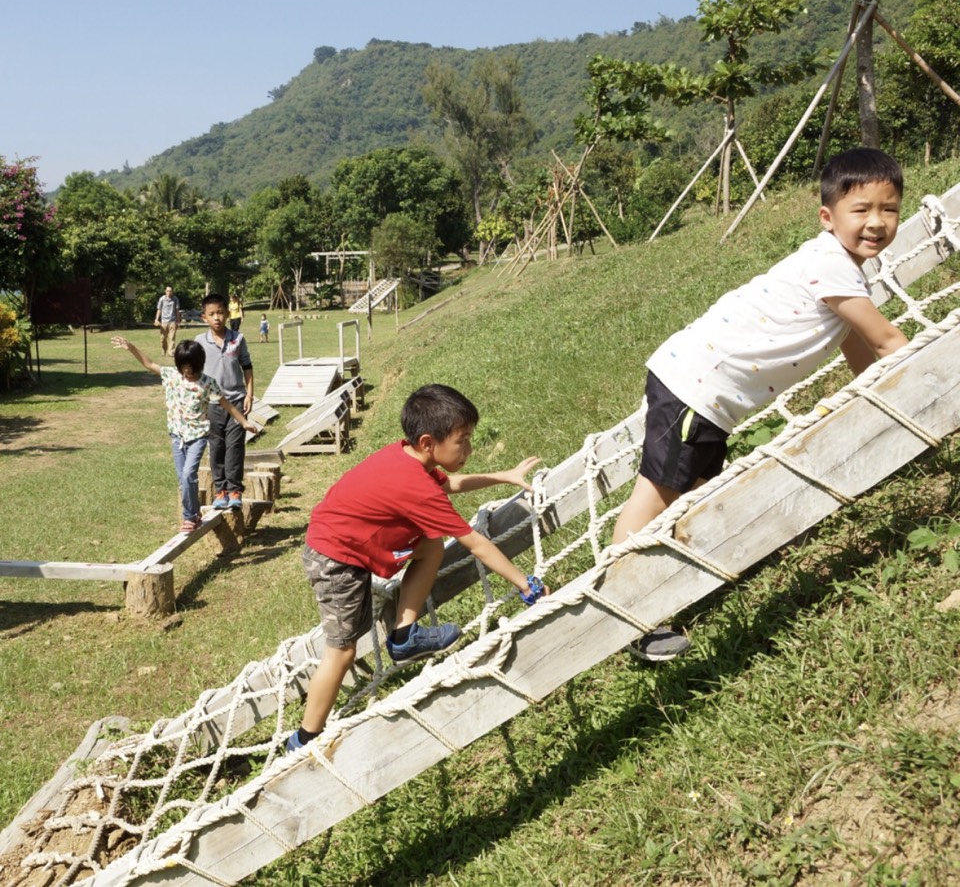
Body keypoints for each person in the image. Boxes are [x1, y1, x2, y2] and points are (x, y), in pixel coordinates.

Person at [612, 147, 910, 661]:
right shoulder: (832, 266)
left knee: (692, 495)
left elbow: (861, 350)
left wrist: (895, 406)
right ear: (828, 217)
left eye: (890, 209)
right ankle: (627, 615)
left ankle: (667, 589)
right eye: (861, 209)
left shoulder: (840, 268)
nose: (877, 222)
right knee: (657, 497)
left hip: (711, 395)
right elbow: (887, 342)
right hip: (697, 387)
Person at [286, 383, 550, 752]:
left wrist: (504, 475)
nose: (469, 449)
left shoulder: (408, 458)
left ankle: (404, 637)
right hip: (336, 559)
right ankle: (304, 740)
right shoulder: (415, 485)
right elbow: (476, 544)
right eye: (463, 440)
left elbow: (451, 483)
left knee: (430, 544)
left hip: (346, 544)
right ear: (428, 442)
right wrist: (527, 585)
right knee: (342, 652)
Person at [111, 336, 257, 532]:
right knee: (184, 480)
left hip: (197, 437)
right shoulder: (172, 375)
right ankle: (194, 514)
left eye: (191, 367)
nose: (187, 371)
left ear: (199, 364)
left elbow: (227, 405)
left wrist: (244, 422)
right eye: (183, 366)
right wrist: (131, 347)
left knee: (189, 474)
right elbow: (149, 364)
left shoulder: (207, 383)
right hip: (177, 437)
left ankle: (188, 517)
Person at [198, 293, 255, 510]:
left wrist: (249, 394)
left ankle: (234, 490)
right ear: (204, 317)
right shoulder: (200, 342)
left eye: (220, 313)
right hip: (212, 404)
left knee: (235, 446)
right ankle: (220, 490)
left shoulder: (237, 339)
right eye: (211, 314)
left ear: (228, 314)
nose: (217, 318)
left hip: (237, 402)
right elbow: (194, 373)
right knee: (216, 447)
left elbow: (247, 367)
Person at [154, 286, 181, 356]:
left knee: (172, 338)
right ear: (165, 291)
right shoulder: (162, 299)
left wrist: (178, 321)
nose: (169, 292)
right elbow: (159, 309)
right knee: (163, 338)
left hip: (172, 321)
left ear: (172, 292)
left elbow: (177, 310)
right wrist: (156, 319)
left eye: (170, 291)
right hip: (164, 322)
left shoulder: (175, 299)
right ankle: (164, 350)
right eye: (168, 291)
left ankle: (171, 352)